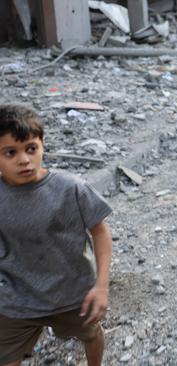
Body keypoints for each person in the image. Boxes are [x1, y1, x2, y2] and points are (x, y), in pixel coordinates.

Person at [0, 105, 113, 366]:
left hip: (73, 294)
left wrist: (101, 285)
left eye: (31, 148)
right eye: (10, 153)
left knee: (91, 334)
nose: (24, 160)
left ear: (42, 146)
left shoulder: (70, 188)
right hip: (16, 300)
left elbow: (100, 231)